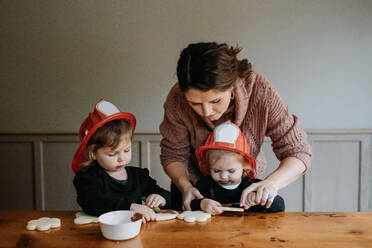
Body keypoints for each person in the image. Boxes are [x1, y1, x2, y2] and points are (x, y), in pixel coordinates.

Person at [160, 42, 312, 210]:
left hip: (244, 191)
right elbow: (173, 154)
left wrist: (270, 184)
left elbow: (297, 152)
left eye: (215, 100)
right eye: (194, 103)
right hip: (195, 191)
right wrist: (185, 187)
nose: (206, 111)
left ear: (231, 86)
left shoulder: (260, 91)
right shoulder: (177, 99)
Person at [72, 99, 171, 222]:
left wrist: (160, 198)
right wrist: (130, 207)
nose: (122, 158)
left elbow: (169, 196)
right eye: (112, 154)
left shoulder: (139, 176)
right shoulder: (87, 177)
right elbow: (92, 202)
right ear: (93, 153)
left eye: (126, 150)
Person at [190, 121, 285, 215]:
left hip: (249, 229)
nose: (223, 176)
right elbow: (189, 204)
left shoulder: (252, 186)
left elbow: (280, 206)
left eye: (231, 171)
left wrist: (258, 197)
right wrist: (202, 204)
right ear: (208, 166)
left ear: (245, 168)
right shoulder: (205, 185)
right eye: (216, 170)